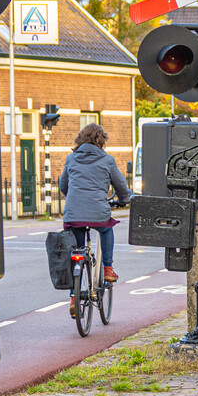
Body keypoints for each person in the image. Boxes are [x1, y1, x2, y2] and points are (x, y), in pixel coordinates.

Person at [59, 123, 131, 289]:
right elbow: (121, 187)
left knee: (75, 253)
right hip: (98, 212)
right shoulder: (107, 160)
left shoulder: (71, 158)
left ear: (80, 139)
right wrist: (124, 199)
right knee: (106, 229)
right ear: (102, 141)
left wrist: (73, 198)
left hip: (73, 214)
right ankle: (108, 268)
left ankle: (72, 298)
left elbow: (63, 185)